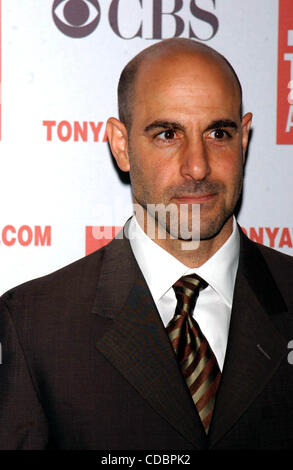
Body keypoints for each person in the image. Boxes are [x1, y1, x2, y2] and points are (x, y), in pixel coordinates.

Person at [0, 38, 293, 451]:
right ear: (121, 145)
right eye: (168, 134)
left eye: (218, 132)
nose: (198, 166)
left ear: (243, 139)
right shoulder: (34, 325)